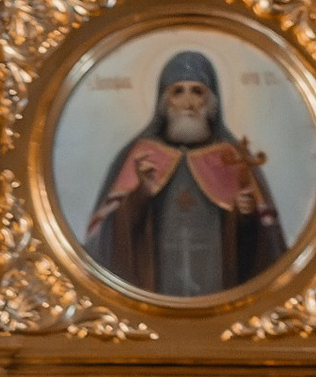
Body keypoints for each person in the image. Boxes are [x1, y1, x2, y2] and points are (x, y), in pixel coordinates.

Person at [81, 49, 284, 299]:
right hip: (155, 283)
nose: (188, 102)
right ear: (165, 102)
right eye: (178, 91)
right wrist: (141, 194)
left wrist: (246, 215)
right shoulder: (141, 155)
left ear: (211, 101)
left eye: (197, 91)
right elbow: (109, 233)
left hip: (218, 281)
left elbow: (263, 244)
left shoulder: (232, 157)